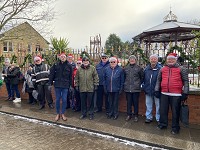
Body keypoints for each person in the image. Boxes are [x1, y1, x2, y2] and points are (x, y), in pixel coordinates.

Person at [155, 53, 189, 135]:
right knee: (163, 110)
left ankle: (175, 127)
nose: (170, 60)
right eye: (169, 59)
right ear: (167, 60)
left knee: (175, 112)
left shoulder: (181, 69)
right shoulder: (162, 69)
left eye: (172, 59)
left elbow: (186, 81)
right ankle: (163, 124)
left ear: (175, 60)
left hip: (176, 94)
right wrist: (156, 90)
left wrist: (185, 92)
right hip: (164, 93)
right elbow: (158, 80)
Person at [49, 52, 72, 121]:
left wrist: (70, 85)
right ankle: (58, 113)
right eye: (61, 56)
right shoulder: (55, 65)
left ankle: (63, 113)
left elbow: (70, 77)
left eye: (64, 56)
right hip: (58, 85)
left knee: (64, 99)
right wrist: (50, 83)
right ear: (59, 57)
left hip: (65, 85)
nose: (63, 58)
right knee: (58, 99)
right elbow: (51, 74)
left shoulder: (69, 65)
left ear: (66, 57)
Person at [142, 54, 162, 124]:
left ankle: (158, 118)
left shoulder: (160, 69)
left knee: (158, 106)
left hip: (157, 91)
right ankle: (148, 117)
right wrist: (143, 87)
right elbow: (143, 79)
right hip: (148, 90)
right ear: (150, 60)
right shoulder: (146, 69)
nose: (153, 60)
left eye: (154, 59)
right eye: (152, 59)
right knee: (148, 105)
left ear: (157, 60)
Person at [124, 55, 144, 122]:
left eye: (133, 59)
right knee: (128, 103)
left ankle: (136, 115)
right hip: (128, 89)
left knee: (136, 103)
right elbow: (124, 77)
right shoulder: (126, 68)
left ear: (135, 60)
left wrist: (138, 84)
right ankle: (129, 114)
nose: (132, 60)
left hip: (136, 89)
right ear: (129, 60)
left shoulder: (139, 68)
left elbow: (142, 77)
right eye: (130, 59)